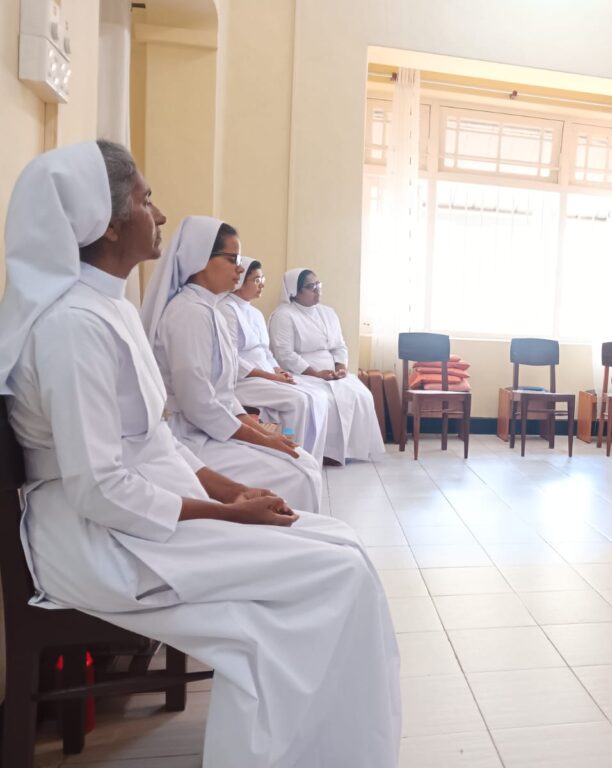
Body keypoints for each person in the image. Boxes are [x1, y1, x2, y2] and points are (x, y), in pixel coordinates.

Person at [0, 140, 400, 766]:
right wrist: (227, 514)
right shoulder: (71, 326)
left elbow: (155, 441)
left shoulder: (108, 308)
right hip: (99, 538)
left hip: (141, 514)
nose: (158, 214)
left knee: (342, 546)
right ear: (108, 222)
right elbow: (97, 487)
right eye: (145, 200)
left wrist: (229, 489)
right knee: (338, 575)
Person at [140, 216, 324, 514]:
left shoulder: (209, 308)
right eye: (232, 259)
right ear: (201, 258)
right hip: (189, 436)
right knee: (297, 472)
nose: (240, 268)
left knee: (301, 461)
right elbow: (199, 404)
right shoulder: (188, 313)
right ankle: (280, 536)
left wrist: (264, 433)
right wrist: (264, 439)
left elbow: (224, 394)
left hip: (211, 428)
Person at [269, 269, 385, 464]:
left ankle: (350, 450)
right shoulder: (283, 315)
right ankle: (326, 453)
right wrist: (315, 374)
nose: (317, 290)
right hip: (302, 373)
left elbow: (339, 345)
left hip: (331, 373)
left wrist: (341, 368)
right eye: (310, 286)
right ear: (294, 291)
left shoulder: (328, 313)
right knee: (327, 401)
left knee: (361, 394)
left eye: (318, 284)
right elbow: (284, 354)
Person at [221, 256, 330, 462]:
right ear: (241, 280)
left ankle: (311, 458)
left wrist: (278, 370)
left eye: (263, 279)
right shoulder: (226, 309)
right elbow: (231, 359)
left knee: (318, 395)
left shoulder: (255, 313)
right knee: (299, 400)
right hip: (243, 381)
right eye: (256, 280)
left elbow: (266, 351)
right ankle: (291, 457)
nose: (261, 285)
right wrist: (272, 377)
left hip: (265, 376)